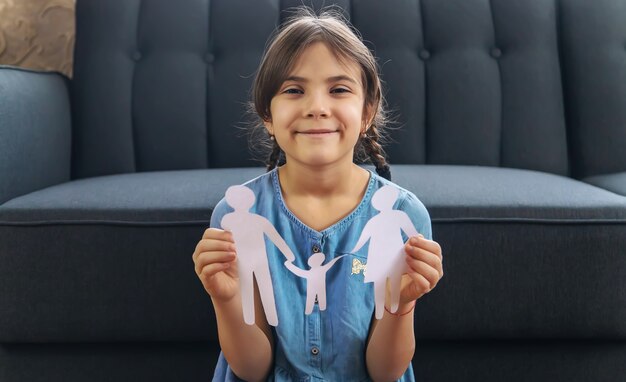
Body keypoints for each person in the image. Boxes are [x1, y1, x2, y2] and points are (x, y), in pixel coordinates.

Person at [192, 7, 444, 381]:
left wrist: (401, 305)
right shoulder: (233, 215)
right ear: (267, 115)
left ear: (367, 112)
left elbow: (386, 372)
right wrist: (225, 298)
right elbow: (251, 368)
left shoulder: (408, 216)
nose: (316, 108)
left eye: (339, 89)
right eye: (294, 91)